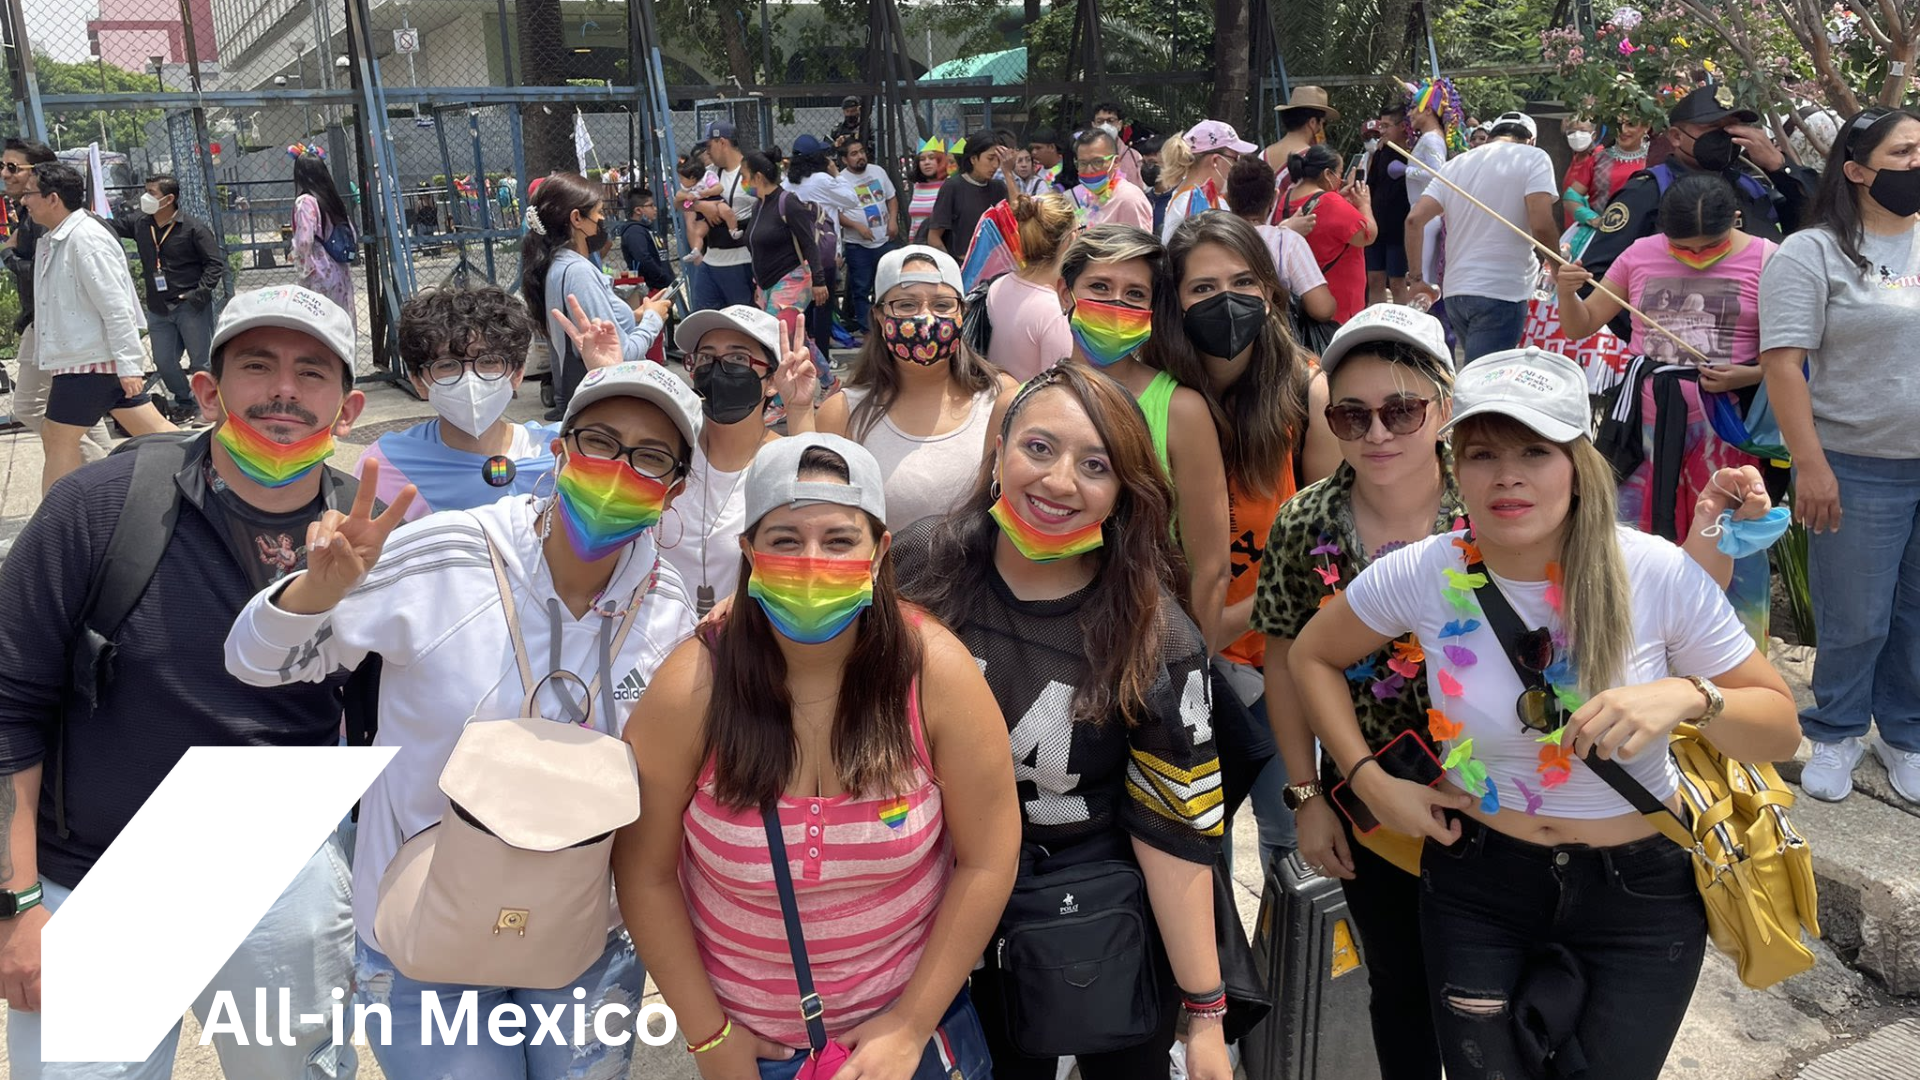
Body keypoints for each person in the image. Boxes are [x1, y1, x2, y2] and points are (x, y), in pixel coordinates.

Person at [1289, 346, 1800, 1080]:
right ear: (1455, 468)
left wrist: (1690, 696)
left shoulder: (1653, 571)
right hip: (1478, 884)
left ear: (1577, 462)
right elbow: (1311, 655)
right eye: (1482, 453)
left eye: (1535, 450)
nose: (1508, 476)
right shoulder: (1427, 571)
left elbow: (1780, 724)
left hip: (1640, 895)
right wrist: (1368, 781)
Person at [226, 360, 704, 1079]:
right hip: (422, 937)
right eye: (600, 441)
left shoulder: (669, 609)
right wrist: (312, 596)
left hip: (585, 942)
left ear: (673, 489)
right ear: (561, 449)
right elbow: (257, 664)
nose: (618, 469)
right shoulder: (443, 553)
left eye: (650, 457)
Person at [0, 285, 372, 1080]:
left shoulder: (370, 540)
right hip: (99, 878)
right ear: (207, 391)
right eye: (256, 366)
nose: (283, 391)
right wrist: (18, 905)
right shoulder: (100, 507)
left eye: (312, 373)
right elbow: (8, 707)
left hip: (284, 874)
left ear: (349, 409)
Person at [615, 432, 1019, 1079]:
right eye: (784, 540)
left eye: (838, 541)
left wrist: (911, 1026)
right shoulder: (692, 688)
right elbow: (645, 871)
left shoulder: (934, 673)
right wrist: (708, 1038)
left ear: (879, 552)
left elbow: (989, 856)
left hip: (908, 1044)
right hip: (755, 1055)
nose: (811, 562)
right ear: (748, 551)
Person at [894, 364, 1231, 1080]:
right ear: (999, 453)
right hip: (933, 913)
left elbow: (1175, 831)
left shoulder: (1157, 635)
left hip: (1092, 924)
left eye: (1095, 464)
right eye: (1039, 448)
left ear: (1124, 493)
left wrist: (1203, 1015)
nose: (1058, 481)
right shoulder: (920, 565)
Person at [1759, 106, 1920, 805]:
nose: (1918, 165)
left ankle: (1905, 734)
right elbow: (1784, 365)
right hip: (1856, 463)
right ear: (1858, 171)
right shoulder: (1812, 254)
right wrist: (1811, 463)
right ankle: (1835, 730)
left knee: (1918, 614)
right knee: (1856, 615)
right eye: (1906, 152)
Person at [1164, 212, 1326, 871]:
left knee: (1292, 842)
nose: (1224, 301)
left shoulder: (1306, 392)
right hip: (1176, 668)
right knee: (1202, 846)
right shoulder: (1157, 395)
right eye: (1202, 288)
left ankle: (1290, 973)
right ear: (1174, 300)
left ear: (1270, 291)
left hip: (1273, 664)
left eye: (1242, 282)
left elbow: (1326, 552)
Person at [1555, 173, 1778, 641]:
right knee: (1628, 531)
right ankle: (1636, 643)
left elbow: (1796, 352)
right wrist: (1565, 291)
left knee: (1728, 528)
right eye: (1683, 247)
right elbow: (1580, 326)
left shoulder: (1767, 259)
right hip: (1643, 424)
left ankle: (1734, 652)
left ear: (1736, 220)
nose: (1695, 256)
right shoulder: (1638, 254)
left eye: (1708, 246)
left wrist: (1751, 374)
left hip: (1724, 428)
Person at [1004, 224, 1229, 646]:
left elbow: (1211, 567)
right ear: (1064, 293)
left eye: (1135, 295)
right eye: (1100, 287)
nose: (1116, 304)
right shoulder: (1021, 403)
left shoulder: (1182, 412)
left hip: (1142, 639)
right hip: (1028, 636)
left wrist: (1185, 668)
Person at [803, 246, 1015, 531]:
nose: (924, 319)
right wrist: (798, 409)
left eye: (941, 305)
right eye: (906, 305)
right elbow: (815, 512)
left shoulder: (1001, 397)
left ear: (961, 314)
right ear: (879, 316)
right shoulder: (842, 413)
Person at [1577, 84, 1818, 314]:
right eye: (1713, 129)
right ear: (1675, 137)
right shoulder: (1649, 190)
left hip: (1761, 343)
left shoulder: (1750, 186)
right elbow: (1595, 276)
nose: (1724, 138)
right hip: (1676, 346)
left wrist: (1780, 167)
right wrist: (1648, 326)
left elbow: (1818, 221)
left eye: (1732, 129)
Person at [21, 161, 174, 493]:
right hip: (88, 359)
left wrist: (130, 365)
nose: (23, 200)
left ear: (52, 198)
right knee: (156, 432)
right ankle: (216, 470)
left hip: (90, 361)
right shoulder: (55, 239)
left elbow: (116, 306)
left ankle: (56, 525)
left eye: (30, 193)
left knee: (57, 436)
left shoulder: (85, 239)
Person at [358, 285, 573, 520]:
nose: (470, 380)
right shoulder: (388, 467)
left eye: (489, 361)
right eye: (448, 365)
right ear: (418, 381)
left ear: (518, 373)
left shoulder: (558, 453)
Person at [1404, 111, 1559, 361]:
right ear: (1531, 140)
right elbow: (1541, 224)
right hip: (1501, 292)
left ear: (1490, 137)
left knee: (1476, 373)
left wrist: (1416, 279)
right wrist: (1559, 267)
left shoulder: (1456, 165)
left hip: (1457, 292)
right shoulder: (1535, 157)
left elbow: (1414, 220)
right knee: (1483, 383)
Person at [522, 171, 673, 421]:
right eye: (599, 212)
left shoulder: (559, 264)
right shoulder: (578, 271)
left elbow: (597, 327)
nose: (603, 219)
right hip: (603, 402)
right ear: (577, 218)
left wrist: (636, 315)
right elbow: (617, 357)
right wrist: (652, 321)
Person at [2, 138, 112, 463]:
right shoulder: (29, 213)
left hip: (50, 323)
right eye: (2, 166)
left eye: (12, 167)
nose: (5, 174)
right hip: (44, 321)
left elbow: (40, 270)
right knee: (79, 412)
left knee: (30, 406)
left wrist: (8, 253)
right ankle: (109, 470)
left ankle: (104, 469)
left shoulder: (43, 217)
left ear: (37, 174)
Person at [111, 173, 225, 423]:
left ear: (169, 199)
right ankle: (184, 401)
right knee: (164, 361)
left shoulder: (193, 228)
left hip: (189, 306)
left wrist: (199, 294)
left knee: (200, 362)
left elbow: (215, 263)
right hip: (158, 307)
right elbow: (109, 224)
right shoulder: (141, 223)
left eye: (151, 193)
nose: (145, 197)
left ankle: (209, 408)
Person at [1224, 156, 1338, 324]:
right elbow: (1322, 308)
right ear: (1274, 198)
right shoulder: (1287, 242)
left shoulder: (1214, 240)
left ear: (1227, 199)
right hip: (1276, 342)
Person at [742, 150, 831, 363]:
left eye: (744, 176)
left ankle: (780, 395)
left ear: (758, 177)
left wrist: (819, 281)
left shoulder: (787, 202)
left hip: (792, 280)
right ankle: (830, 381)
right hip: (767, 285)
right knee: (793, 338)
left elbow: (809, 243)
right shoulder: (758, 206)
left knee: (775, 336)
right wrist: (759, 285)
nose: (743, 182)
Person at [984, 193, 1077, 381]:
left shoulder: (999, 285)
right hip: (1030, 407)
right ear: (1071, 239)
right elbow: (1059, 386)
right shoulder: (1057, 311)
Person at [1281, 145, 1375, 323]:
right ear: (1327, 174)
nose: (1341, 179)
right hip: (1337, 306)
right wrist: (1364, 204)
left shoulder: (1287, 196)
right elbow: (1367, 235)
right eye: (1339, 173)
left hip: (1301, 303)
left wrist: (1340, 197)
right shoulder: (1331, 202)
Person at [690, 121, 761, 311]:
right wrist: (702, 206)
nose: (707, 153)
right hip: (711, 257)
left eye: (709, 146)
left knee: (743, 318)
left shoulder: (751, 171)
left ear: (722, 142)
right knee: (703, 317)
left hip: (742, 259)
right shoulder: (709, 174)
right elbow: (682, 201)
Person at [1561, 115, 1655, 258]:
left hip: (1643, 239)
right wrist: (1592, 219)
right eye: (1618, 125)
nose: (1623, 130)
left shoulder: (1655, 160)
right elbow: (1571, 197)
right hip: (1600, 239)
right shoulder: (1599, 158)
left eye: (1630, 124)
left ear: (1646, 127)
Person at [1400, 79, 1464, 285]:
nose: (1410, 114)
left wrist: (1406, 170)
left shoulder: (1431, 139)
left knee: (1423, 278)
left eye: (1414, 109)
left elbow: (1438, 174)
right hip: (1423, 213)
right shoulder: (1429, 137)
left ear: (1428, 110)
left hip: (1425, 216)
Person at [1158, 120, 1255, 243]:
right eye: (1235, 159)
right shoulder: (1195, 203)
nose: (1236, 166)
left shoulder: (1190, 196)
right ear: (1215, 160)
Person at [839, 136, 898, 333]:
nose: (860, 157)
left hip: (884, 241)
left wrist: (892, 220)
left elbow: (891, 198)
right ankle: (869, 331)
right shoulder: (840, 180)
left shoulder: (878, 171)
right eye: (854, 154)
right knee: (861, 289)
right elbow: (834, 213)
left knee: (888, 285)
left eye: (861, 152)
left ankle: (889, 326)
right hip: (858, 245)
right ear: (845, 160)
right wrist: (856, 226)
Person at [290, 152, 355, 320]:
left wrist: (295, 254)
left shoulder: (306, 201)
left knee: (320, 325)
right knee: (341, 321)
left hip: (319, 271)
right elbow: (352, 233)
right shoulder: (333, 200)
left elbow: (304, 240)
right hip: (341, 271)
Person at [928, 130, 1012, 259]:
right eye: (990, 159)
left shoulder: (999, 188)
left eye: (998, 160)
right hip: (963, 265)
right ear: (973, 159)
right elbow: (934, 237)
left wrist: (1008, 172)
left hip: (995, 265)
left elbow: (1020, 214)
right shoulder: (953, 187)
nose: (995, 165)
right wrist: (952, 268)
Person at [1262, 85, 1342, 215]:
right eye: (1322, 123)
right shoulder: (1312, 159)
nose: (1322, 129)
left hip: (1257, 231)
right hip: (1295, 232)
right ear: (1312, 123)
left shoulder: (1263, 154)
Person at [1366, 104, 1414, 303]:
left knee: (1397, 282)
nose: (1382, 131)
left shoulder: (1414, 153)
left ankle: (1400, 331)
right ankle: (1375, 326)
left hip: (1399, 229)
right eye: (1381, 126)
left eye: (1386, 126)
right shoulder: (1380, 153)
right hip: (1377, 227)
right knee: (1375, 279)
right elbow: (1371, 186)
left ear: (1403, 126)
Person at [1069, 127, 1155, 232]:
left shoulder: (1129, 199)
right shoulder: (1089, 195)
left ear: (1116, 162)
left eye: (1097, 162)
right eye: (1083, 163)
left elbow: (1139, 247)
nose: (1089, 170)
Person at [620, 188, 675, 291]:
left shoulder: (646, 229)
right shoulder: (634, 231)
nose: (655, 209)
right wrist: (662, 277)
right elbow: (643, 258)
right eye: (651, 205)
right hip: (651, 288)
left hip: (663, 286)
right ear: (638, 210)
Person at [1090, 101, 1148, 187]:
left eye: (1111, 121)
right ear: (1093, 125)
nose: (1105, 126)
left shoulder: (1134, 156)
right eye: (1100, 121)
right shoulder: (1086, 155)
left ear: (1119, 125)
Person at [908, 139, 949, 244]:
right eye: (922, 159)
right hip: (918, 245)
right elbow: (914, 221)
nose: (926, 162)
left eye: (931, 158)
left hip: (941, 245)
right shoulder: (917, 186)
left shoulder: (948, 185)